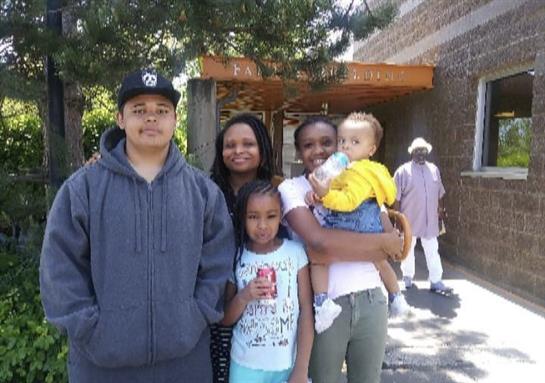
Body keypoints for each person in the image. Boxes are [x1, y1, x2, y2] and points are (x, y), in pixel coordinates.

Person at [39, 68, 235, 383]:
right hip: (101, 366)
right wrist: (91, 330)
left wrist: (195, 316)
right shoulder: (83, 189)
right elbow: (59, 268)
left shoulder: (203, 192)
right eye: (139, 110)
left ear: (174, 119)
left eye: (161, 110)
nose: (151, 118)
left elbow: (218, 264)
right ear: (120, 118)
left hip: (185, 364)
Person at [278, 116, 403, 383]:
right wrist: (376, 248)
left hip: (372, 300)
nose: (318, 150)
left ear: (341, 147)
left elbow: (392, 243)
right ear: (299, 152)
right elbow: (318, 244)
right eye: (308, 145)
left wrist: (376, 247)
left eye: (327, 142)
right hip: (325, 306)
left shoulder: (361, 183)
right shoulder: (292, 189)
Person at [305, 112, 410, 333]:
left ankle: (322, 303)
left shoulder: (355, 171)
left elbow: (348, 201)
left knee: (319, 261)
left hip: (347, 222)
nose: (345, 147)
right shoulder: (377, 171)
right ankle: (397, 296)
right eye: (342, 141)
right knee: (379, 261)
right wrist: (318, 194)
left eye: (354, 142)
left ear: (371, 149)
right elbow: (388, 194)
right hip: (371, 225)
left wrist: (324, 196)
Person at [209, 113, 284, 383]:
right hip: (219, 306)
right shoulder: (206, 192)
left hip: (269, 310)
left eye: (248, 144)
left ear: (262, 152)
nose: (238, 150)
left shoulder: (280, 192)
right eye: (230, 145)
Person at [221, 180, 313, 383]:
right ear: (242, 218)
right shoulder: (237, 257)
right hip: (245, 366)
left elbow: (306, 310)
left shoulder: (295, 253)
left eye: (271, 216)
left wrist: (301, 368)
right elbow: (225, 318)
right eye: (253, 217)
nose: (262, 225)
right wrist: (245, 296)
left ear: (281, 215)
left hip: (287, 365)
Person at [393, 137, 452, 294]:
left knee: (432, 248)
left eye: (423, 151)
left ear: (427, 152)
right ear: (412, 152)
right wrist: (398, 219)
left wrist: (441, 211)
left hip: (430, 219)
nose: (420, 153)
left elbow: (440, 192)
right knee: (408, 249)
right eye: (417, 150)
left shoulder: (434, 170)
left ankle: (436, 280)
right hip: (410, 219)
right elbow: (395, 198)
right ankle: (407, 277)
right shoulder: (402, 171)